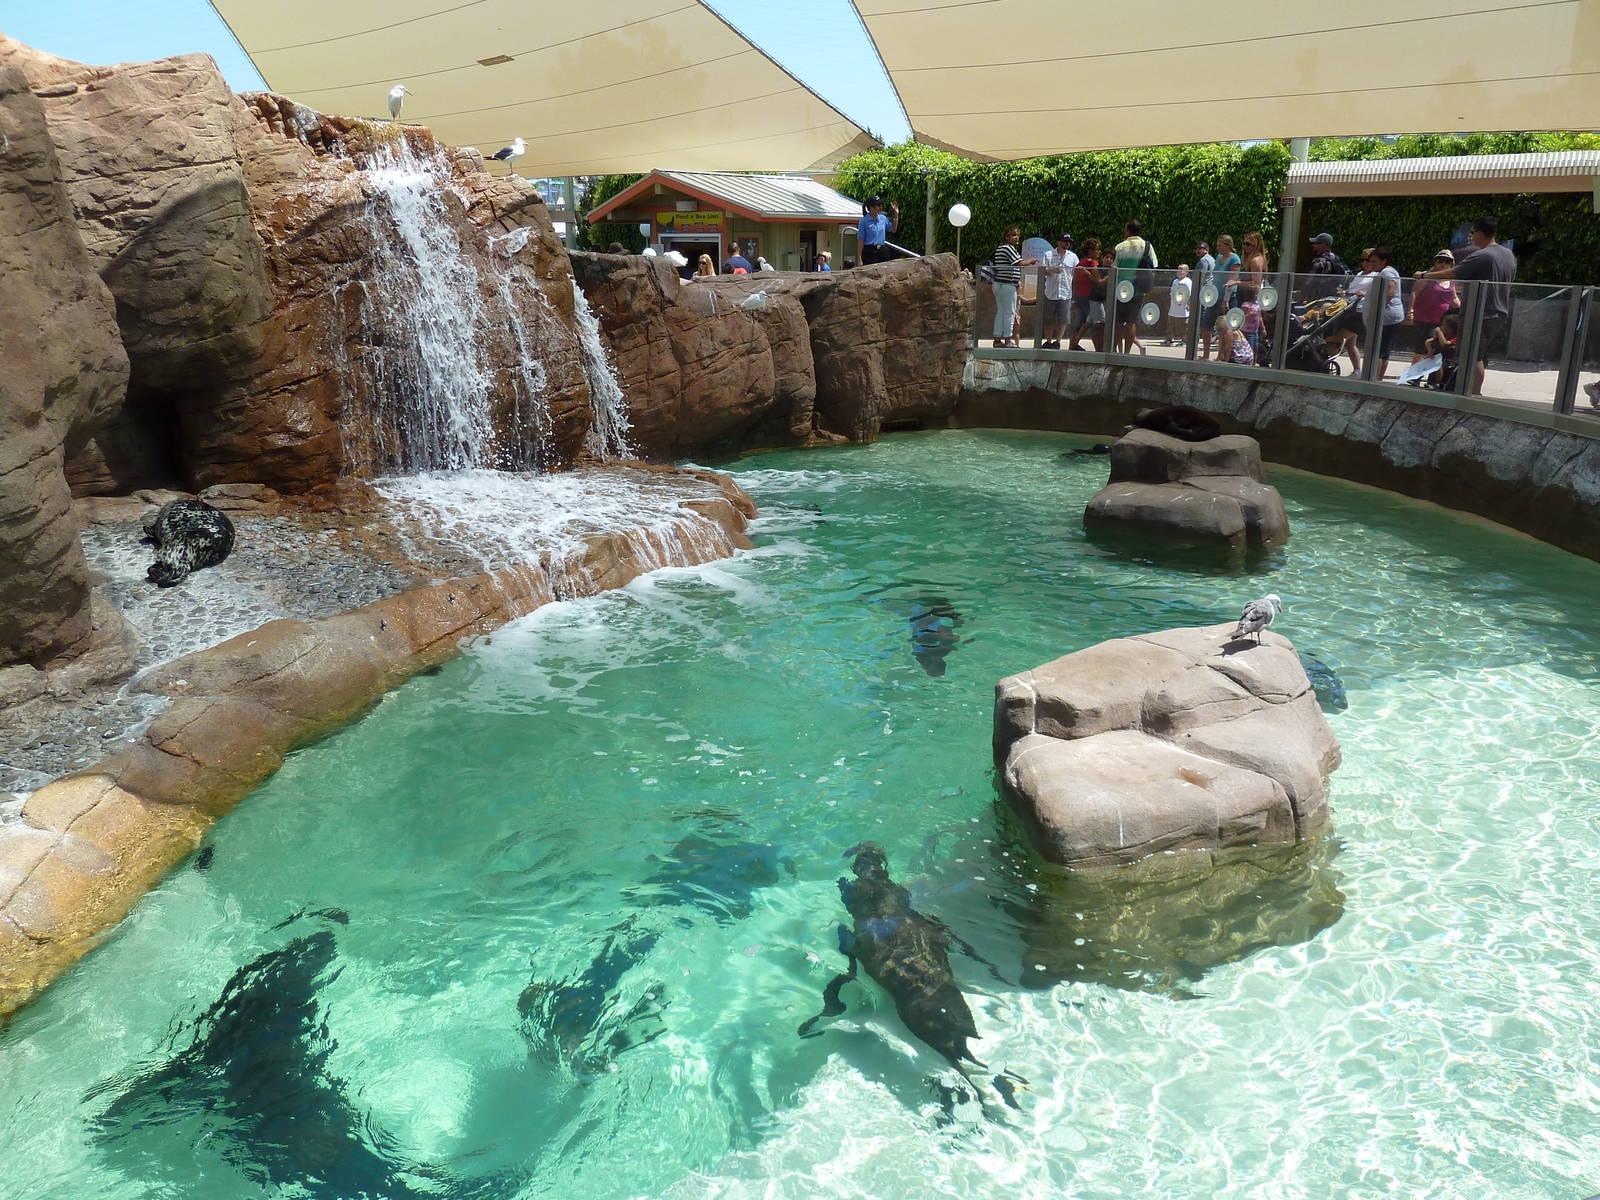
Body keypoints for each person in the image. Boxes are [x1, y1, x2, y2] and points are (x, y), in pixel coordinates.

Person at [1420, 215, 1517, 395]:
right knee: (1477, 354)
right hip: (1499, 312)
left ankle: (1471, 395)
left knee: (1470, 356)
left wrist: (1424, 276)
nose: (1471, 237)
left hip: (1479, 312)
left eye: (1473, 232)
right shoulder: (1508, 254)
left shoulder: (1482, 255)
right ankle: (1472, 393)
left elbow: (1454, 273)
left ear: (1481, 232)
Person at [987, 225, 1037, 347]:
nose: (1016, 238)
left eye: (1017, 235)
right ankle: (1008, 340)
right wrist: (1031, 261)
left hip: (999, 284)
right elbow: (1019, 263)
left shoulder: (1001, 248)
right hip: (1007, 284)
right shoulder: (1008, 248)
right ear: (1006, 237)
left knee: (1001, 312)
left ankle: (997, 339)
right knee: (1010, 312)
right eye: (1013, 235)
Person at [1113, 220, 1157, 354]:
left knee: (1118, 322)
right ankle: (1127, 352)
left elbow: (1114, 267)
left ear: (1128, 230)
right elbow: (1154, 266)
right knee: (1131, 322)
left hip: (1121, 290)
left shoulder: (1120, 247)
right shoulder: (1147, 246)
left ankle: (1114, 351)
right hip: (1138, 290)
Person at [1407, 250, 1458, 361]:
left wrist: (1465, 310)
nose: (1443, 264)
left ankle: (1425, 373)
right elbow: (1415, 292)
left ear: (1451, 264)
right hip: (1424, 319)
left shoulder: (1450, 280)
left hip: (1441, 321)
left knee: (1433, 347)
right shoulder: (1427, 276)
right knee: (1422, 347)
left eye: (1447, 261)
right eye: (1440, 260)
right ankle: (1414, 374)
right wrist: (1410, 311)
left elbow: (1454, 298)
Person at [1200, 234, 1239, 361]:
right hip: (1214, 296)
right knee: (1206, 325)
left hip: (1226, 298)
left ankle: (1222, 356)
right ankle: (1206, 355)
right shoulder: (1218, 257)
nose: (1218, 248)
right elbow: (1214, 276)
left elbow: (1232, 280)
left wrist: (1226, 300)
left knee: (1224, 328)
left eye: (1220, 245)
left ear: (1228, 246)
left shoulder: (1234, 259)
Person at [1336, 249, 1376, 371]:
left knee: (1340, 338)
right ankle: (1357, 370)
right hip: (1350, 309)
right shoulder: (1359, 274)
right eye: (1362, 260)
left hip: (1361, 312)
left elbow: (1375, 293)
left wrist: (1365, 294)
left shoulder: (1376, 276)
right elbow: (1353, 290)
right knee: (1350, 344)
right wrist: (1345, 292)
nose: (1364, 263)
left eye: (1367, 260)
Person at [1040, 233, 1078, 348]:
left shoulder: (1073, 257)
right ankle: (1048, 341)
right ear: (1058, 242)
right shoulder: (1048, 255)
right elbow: (1042, 270)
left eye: (1068, 241)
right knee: (1048, 319)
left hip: (1065, 292)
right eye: (1065, 241)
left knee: (1063, 319)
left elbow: (1076, 274)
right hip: (1050, 292)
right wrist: (1052, 270)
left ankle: (1058, 341)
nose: (1067, 243)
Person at [1068, 237, 1102, 351]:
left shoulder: (1080, 263)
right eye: (1097, 249)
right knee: (1094, 323)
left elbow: (1075, 282)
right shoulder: (1092, 263)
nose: (1099, 252)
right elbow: (1098, 281)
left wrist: (1074, 298)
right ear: (1090, 251)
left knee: (1080, 321)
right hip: (1089, 298)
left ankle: (1072, 344)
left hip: (1079, 297)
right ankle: (1098, 347)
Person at [857, 195, 900, 265]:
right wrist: (859, 258)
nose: (881, 207)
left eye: (881, 205)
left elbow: (893, 229)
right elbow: (860, 240)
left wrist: (896, 214)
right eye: (878, 205)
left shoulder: (883, 218)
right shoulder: (864, 221)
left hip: (882, 250)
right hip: (870, 252)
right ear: (871, 207)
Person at [1306, 232, 1349, 298]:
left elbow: (1309, 281)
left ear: (1323, 245)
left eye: (1316, 243)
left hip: (1319, 297)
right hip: (1333, 296)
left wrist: (1302, 294)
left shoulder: (1320, 261)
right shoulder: (1336, 258)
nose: (1313, 245)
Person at [1165, 264, 1190, 345]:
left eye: (1181, 269)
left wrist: (1189, 304)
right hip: (1173, 307)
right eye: (1178, 269)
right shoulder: (1175, 281)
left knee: (1184, 325)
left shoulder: (1188, 281)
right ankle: (1169, 339)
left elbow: (1190, 294)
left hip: (1183, 308)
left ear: (1186, 272)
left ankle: (1184, 340)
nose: (1179, 271)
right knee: (1170, 324)